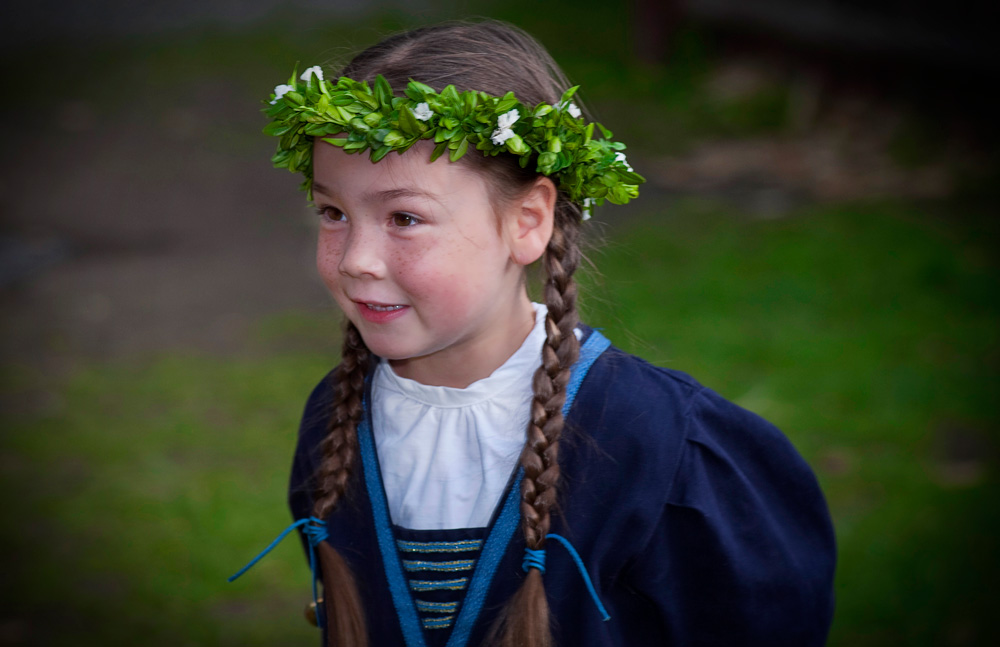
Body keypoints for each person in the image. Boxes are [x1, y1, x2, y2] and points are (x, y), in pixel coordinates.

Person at [232, 19, 836, 647]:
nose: (357, 257)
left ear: (528, 221)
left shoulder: (661, 445)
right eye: (333, 213)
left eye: (405, 217)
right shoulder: (333, 423)